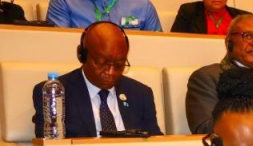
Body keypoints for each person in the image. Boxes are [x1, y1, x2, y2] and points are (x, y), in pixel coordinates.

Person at [31, 21, 162, 137]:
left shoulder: (140, 94)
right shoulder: (55, 93)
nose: (110, 72)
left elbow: (155, 142)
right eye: (101, 63)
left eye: (119, 65)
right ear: (81, 55)